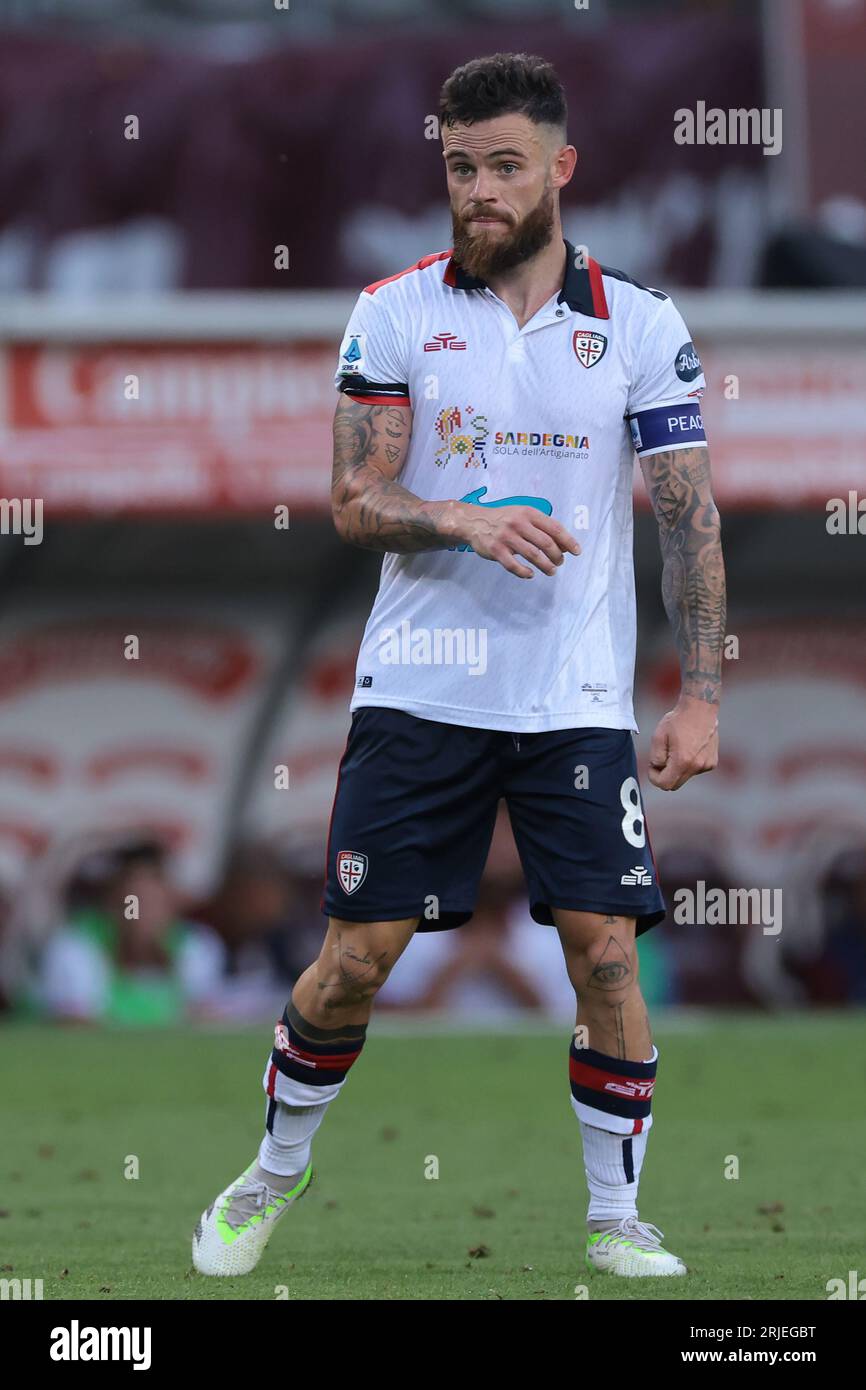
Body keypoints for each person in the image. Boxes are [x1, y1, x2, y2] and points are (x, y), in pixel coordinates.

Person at [193, 51, 726, 1280]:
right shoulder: (393, 311)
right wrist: (464, 516)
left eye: (502, 167)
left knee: (603, 952)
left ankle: (614, 1216)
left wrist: (699, 694)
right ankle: (269, 1175)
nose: (478, 191)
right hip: (421, 688)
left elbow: (688, 517)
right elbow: (352, 498)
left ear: (560, 170)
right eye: (459, 168)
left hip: (574, 701)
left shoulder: (639, 323)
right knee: (354, 963)